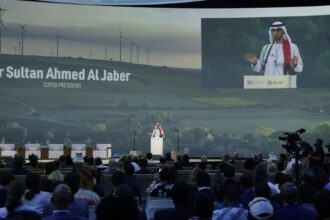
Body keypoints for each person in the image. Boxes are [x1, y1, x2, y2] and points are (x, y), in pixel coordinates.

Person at [244, 21, 303, 88]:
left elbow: (299, 69)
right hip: (269, 88)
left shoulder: (292, 47)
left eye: (278, 30)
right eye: (273, 30)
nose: (275, 32)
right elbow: (260, 68)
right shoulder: (266, 48)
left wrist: (295, 65)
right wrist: (255, 63)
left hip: (286, 89)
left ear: (283, 31)